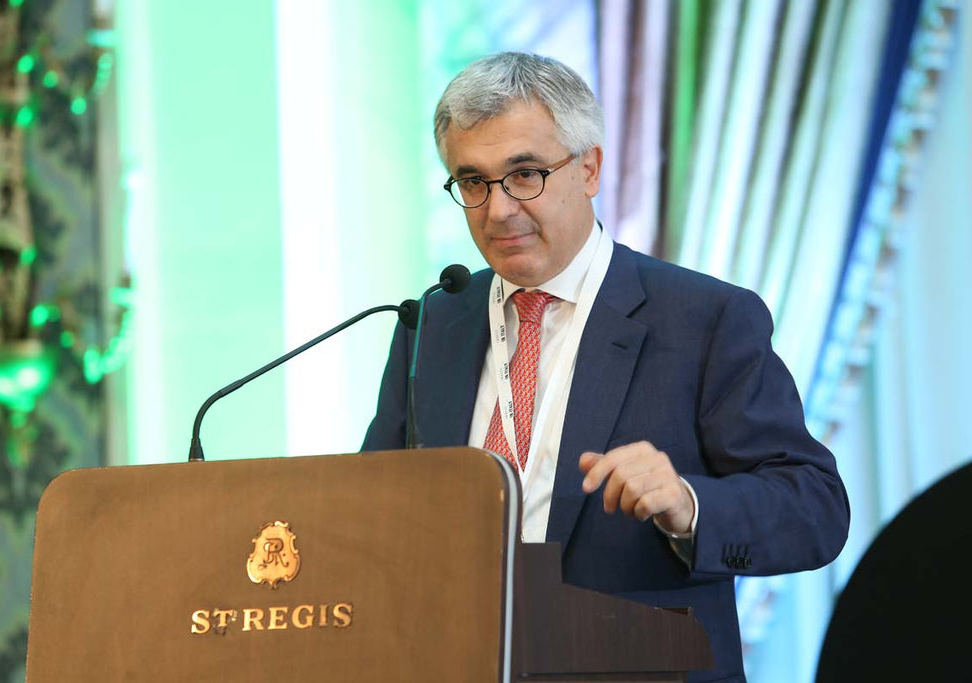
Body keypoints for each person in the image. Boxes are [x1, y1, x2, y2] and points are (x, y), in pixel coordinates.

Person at [362, 51, 849, 682]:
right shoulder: (434, 321)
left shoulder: (702, 318)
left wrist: (689, 504)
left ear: (589, 168)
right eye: (473, 181)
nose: (499, 209)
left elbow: (815, 508)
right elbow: (374, 507)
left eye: (525, 174)